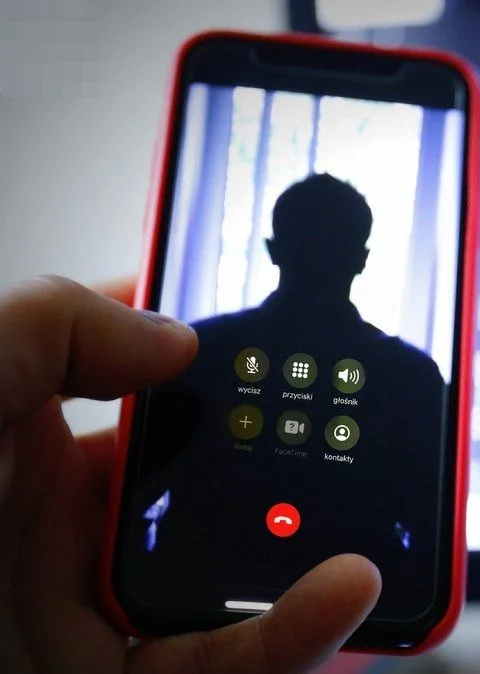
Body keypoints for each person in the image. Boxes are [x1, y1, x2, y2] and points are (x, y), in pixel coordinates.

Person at [0, 274, 381, 673]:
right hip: (194, 575)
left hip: (188, 576)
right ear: (362, 258)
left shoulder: (204, 346)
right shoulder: (195, 349)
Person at [129, 174, 449, 621]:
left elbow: (137, 496)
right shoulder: (412, 375)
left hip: (197, 589)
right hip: (357, 616)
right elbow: (430, 533)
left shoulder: (201, 350)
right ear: (361, 259)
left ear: (273, 250)